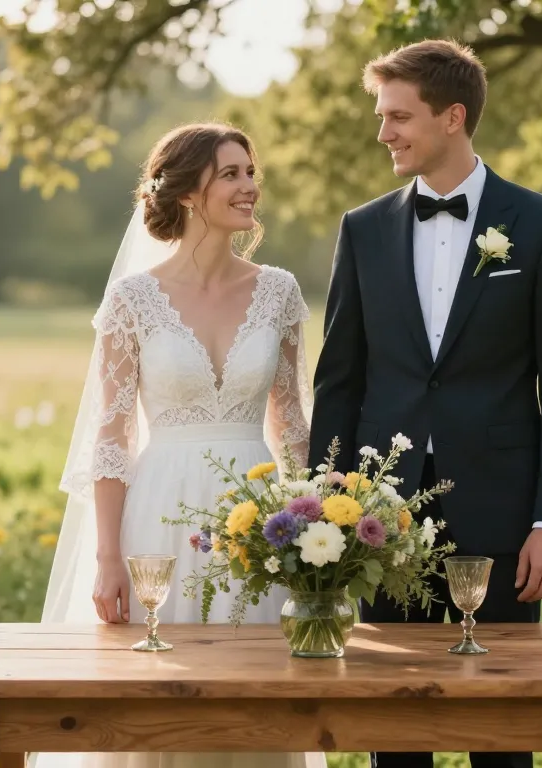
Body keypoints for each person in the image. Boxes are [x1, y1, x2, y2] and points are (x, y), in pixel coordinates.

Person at [308, 40, 542, 768]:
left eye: (398, 116)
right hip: (380, 521)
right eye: (382, 116)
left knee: (501, 731)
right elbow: (339, 380)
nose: (384, 133)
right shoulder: (362, 228)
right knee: (396, 734)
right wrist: (323, 514)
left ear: (453, 117)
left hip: (502, 517)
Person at [32, 122, 326, 768]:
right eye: (231, 174)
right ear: (190, 192)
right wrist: (109, 556)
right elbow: (110, 440)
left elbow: (294, 428)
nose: (250, 187)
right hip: (158, 521)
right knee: (155, 710)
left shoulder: (279, 292)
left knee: (255, 709)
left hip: (257, 524)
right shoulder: (132, 300)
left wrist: (314, 537)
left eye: (251, 172)